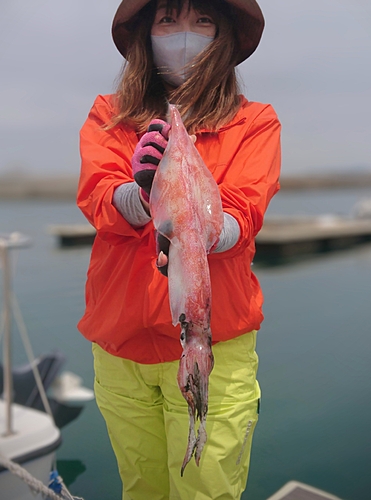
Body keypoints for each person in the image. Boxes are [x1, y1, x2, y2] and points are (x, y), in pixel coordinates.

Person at [77, 0, 281, 498]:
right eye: (168, 18)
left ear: (224, 36)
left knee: (206, 490)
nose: (184, 33)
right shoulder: (109, 115)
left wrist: (204, 226)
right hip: (121, 349)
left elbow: (244, 211)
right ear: (145, 34)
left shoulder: (255, 123)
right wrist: (140, 195)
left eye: (202, 20)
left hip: (215, 345)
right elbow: (99, 194)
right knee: (141, 488)